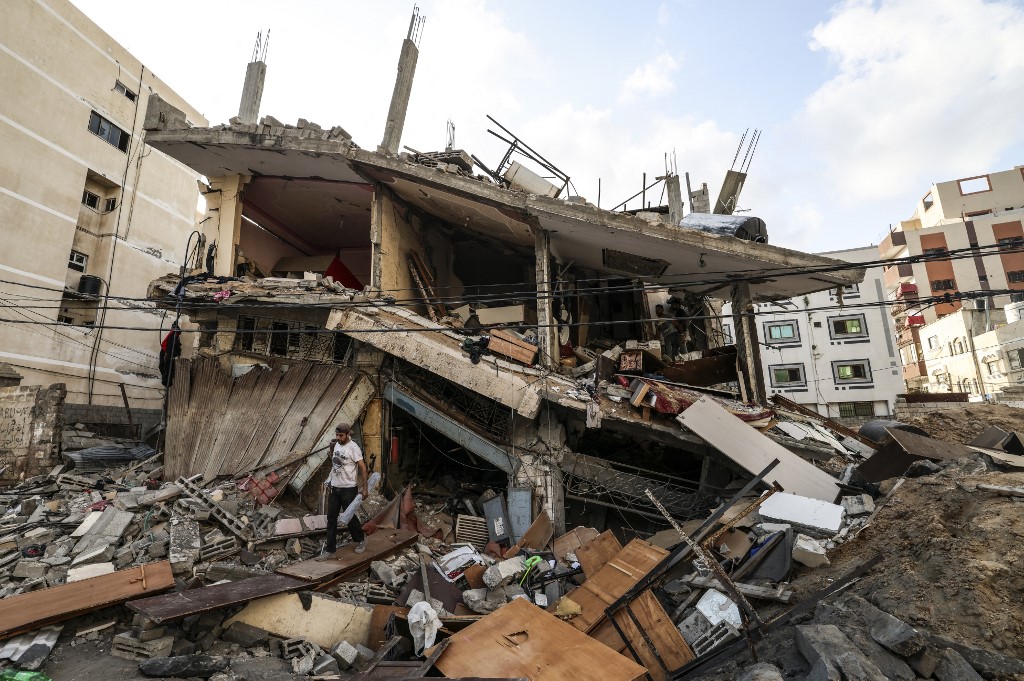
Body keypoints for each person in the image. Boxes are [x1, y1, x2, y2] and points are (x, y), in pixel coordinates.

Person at [316, 423, 368, 560]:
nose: (338, 438)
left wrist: (365, 487)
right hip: (335, 488)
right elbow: (335, 464)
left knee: (350, 517)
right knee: (331, 519)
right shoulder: (336, 445)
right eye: (337, 435)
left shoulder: (354, 448)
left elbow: (362, 468)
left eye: (341, 435)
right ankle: (330, 550)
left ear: (348, 434)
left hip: (349, 489)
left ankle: (361, 540)